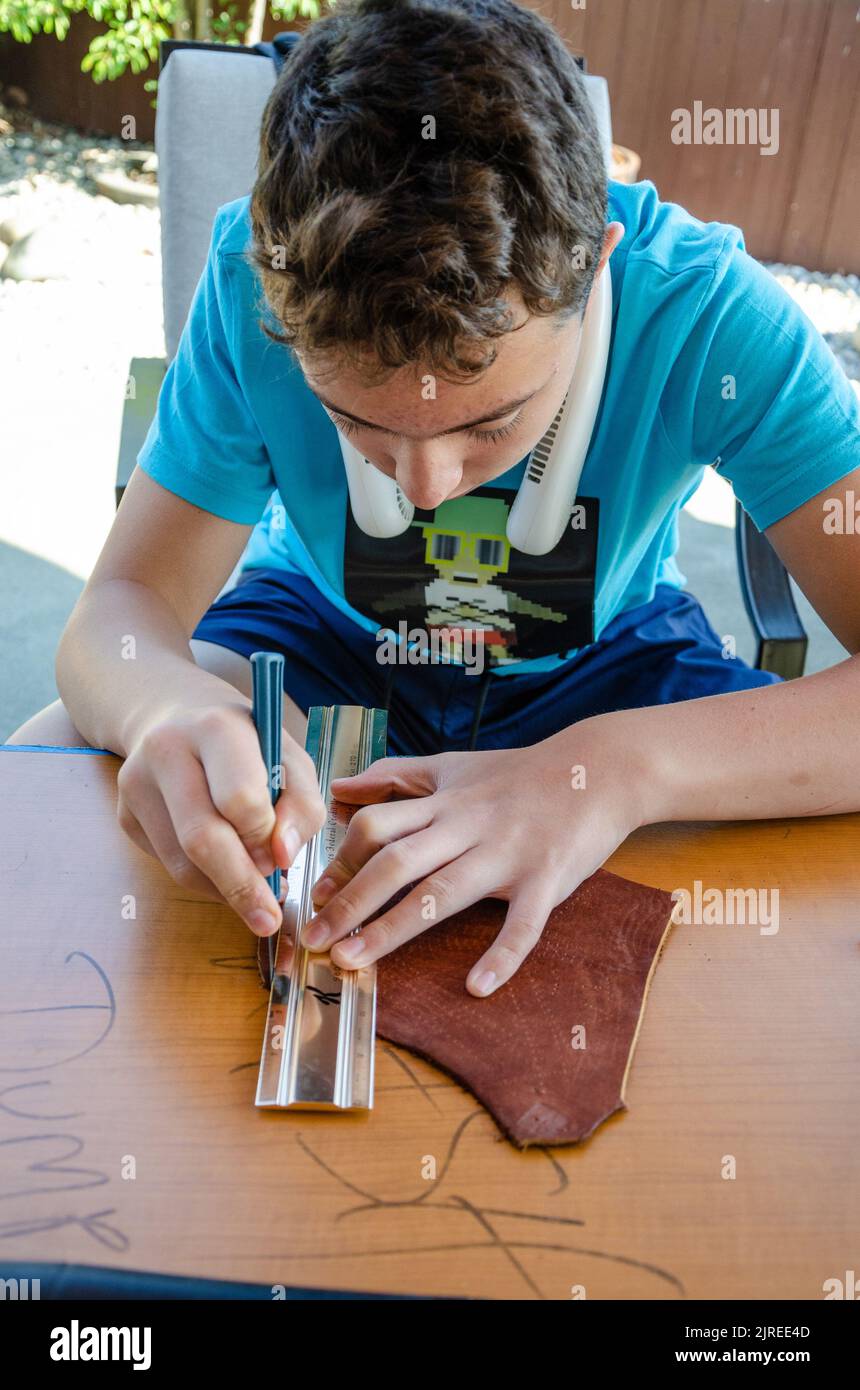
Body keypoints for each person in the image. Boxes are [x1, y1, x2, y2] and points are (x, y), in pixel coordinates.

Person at [9, 0, 859, 997]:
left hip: (606, 662)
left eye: (489, 425)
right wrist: (161, 702)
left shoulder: (706, 315)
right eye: (356, 422)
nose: (422, 489)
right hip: (317, 636)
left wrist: (621, 769)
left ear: (592, 279)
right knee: (52, 758)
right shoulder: (253, 282)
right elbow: (114, 619)